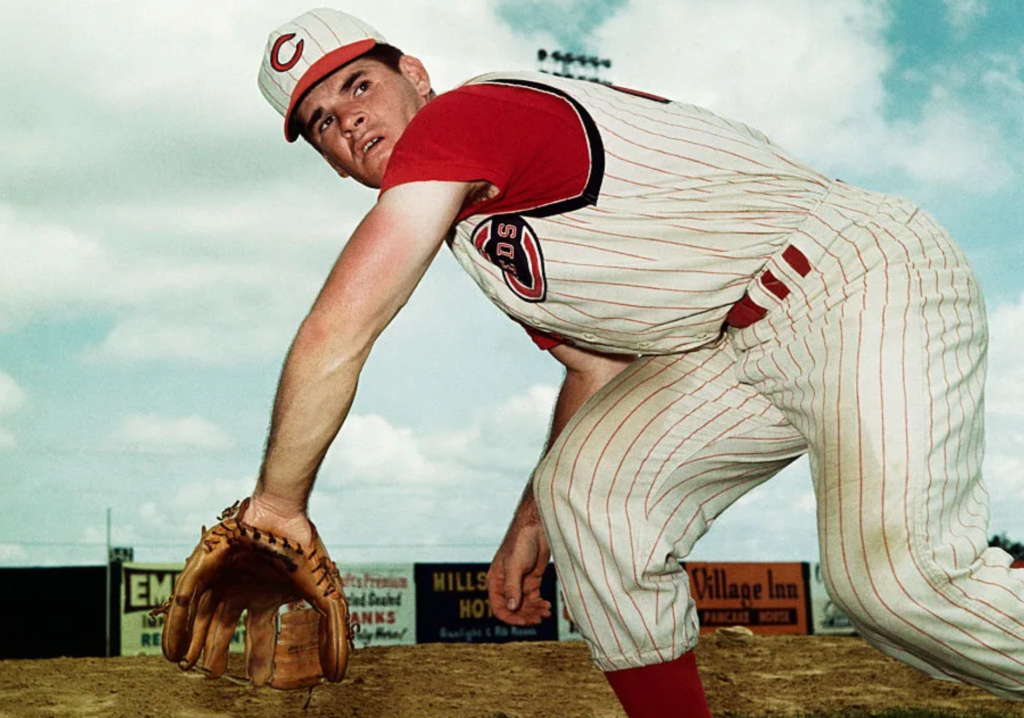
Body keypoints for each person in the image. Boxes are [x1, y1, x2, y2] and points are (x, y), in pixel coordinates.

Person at [244, 8, 1024, 716]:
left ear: (415, 76)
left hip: (851, 277)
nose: (349, 119)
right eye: (322, 122)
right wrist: (533, 519)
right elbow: (597, 369)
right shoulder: (476, 239)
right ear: (332, 161)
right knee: (586, 491)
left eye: (359, 85)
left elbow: (339, 328)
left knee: (899, 584)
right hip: (732, 344)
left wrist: (277, 505)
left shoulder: (463, 119)